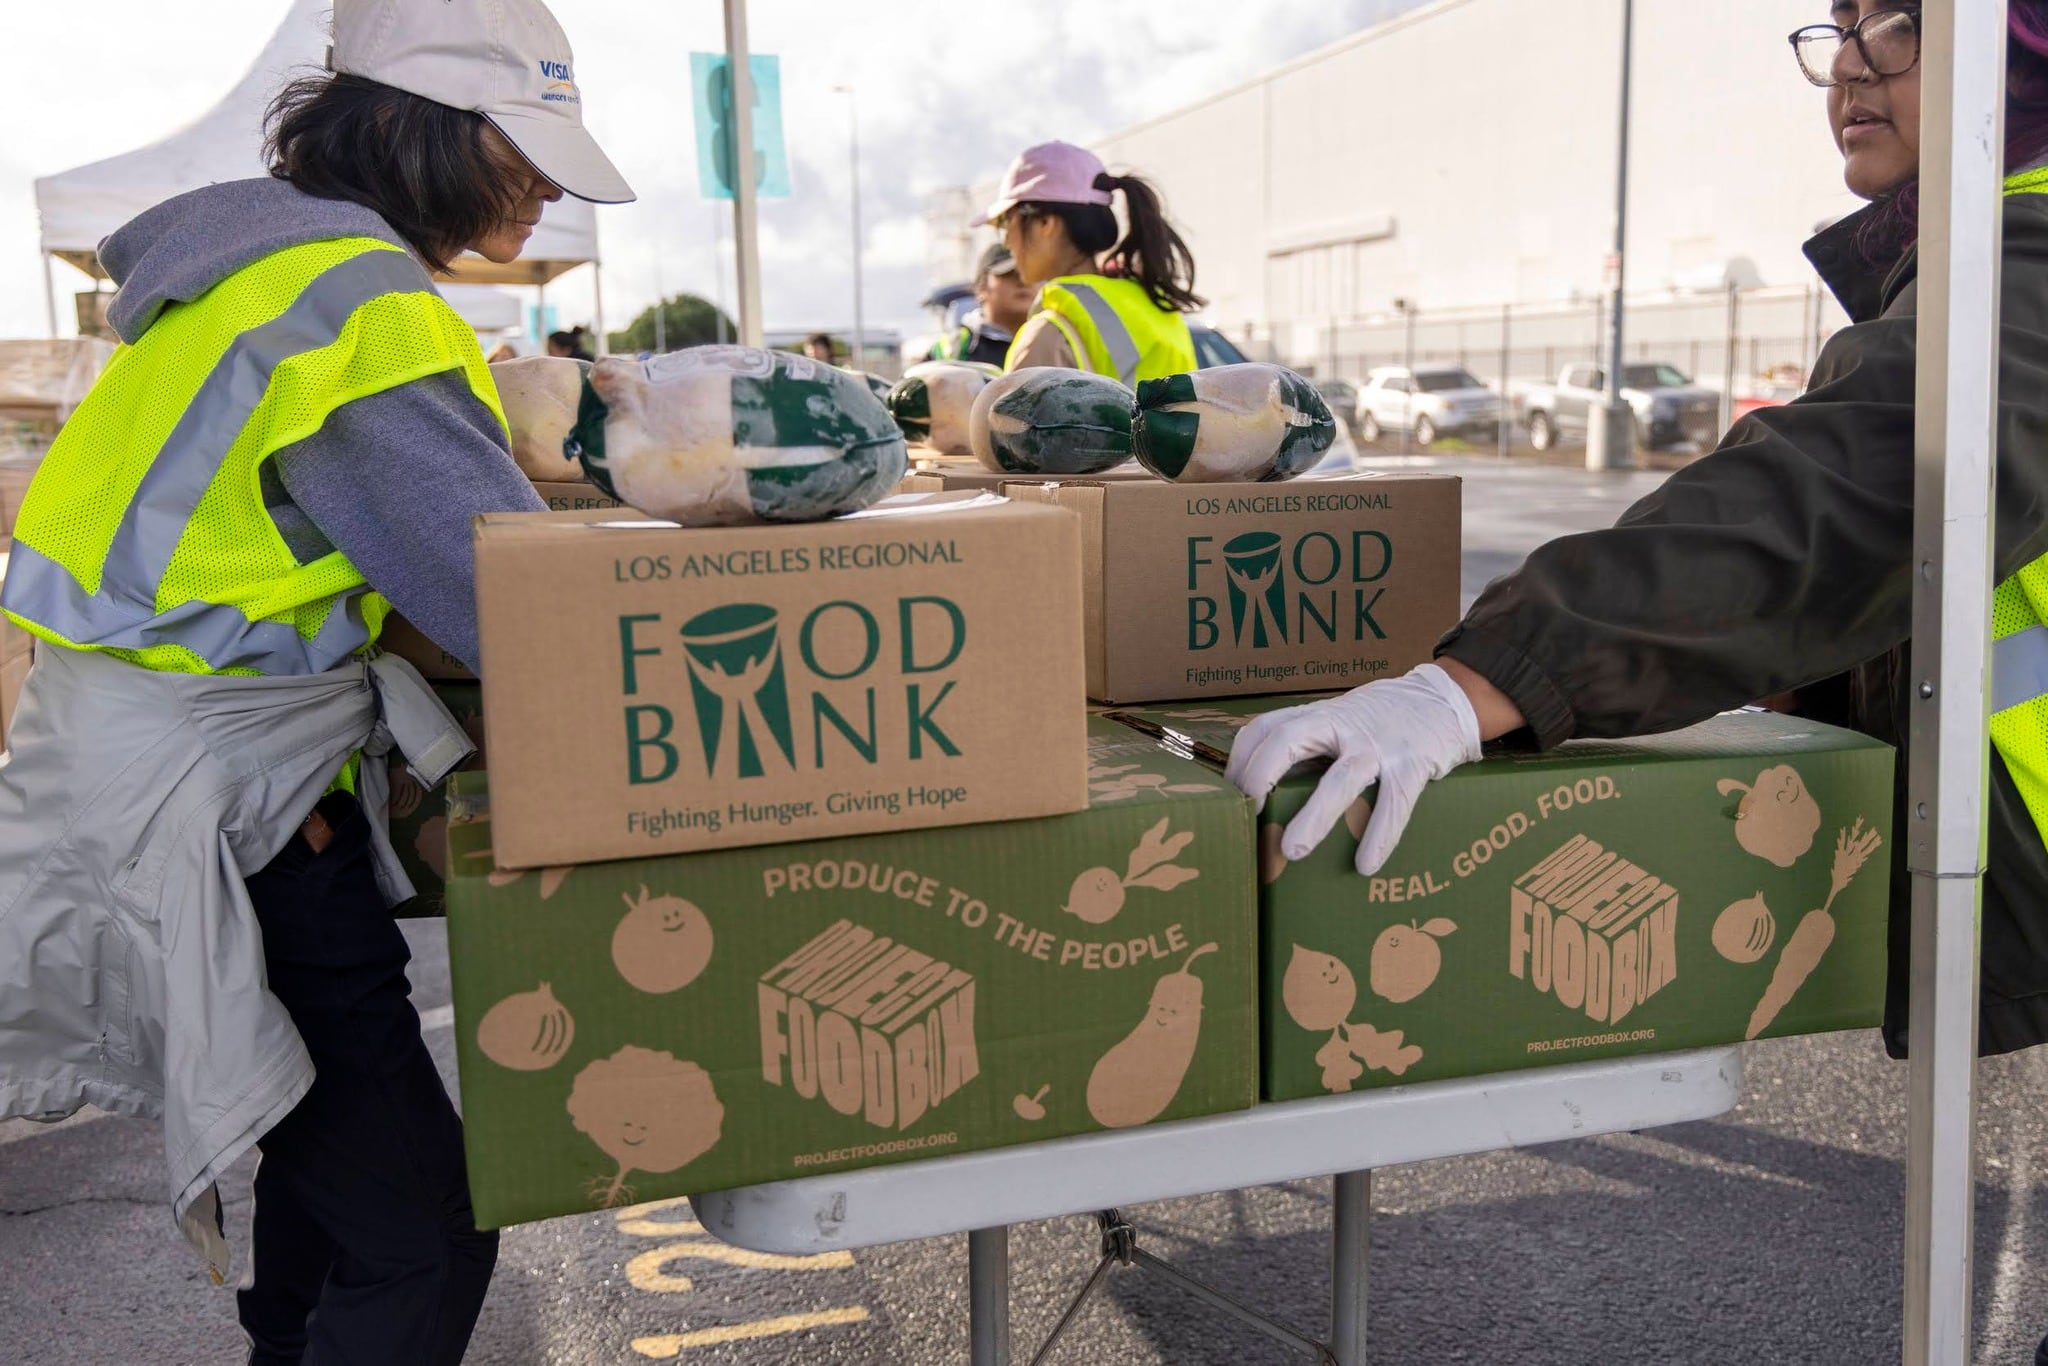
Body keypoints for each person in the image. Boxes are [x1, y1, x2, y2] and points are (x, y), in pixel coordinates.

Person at [1231, 14, 2048, 1354]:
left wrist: (1483, 681)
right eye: (1840, 26)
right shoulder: (1970, 260)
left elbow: (1849, 498)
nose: (1852, 63)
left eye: (1903, 24)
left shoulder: (2024, 266)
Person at [0, 1, 633, 1362]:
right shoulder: (364, 314)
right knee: (427, 1228)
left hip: (168, 763)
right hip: (229, 798)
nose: (542, 184)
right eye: (518, 143)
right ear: (416, 127)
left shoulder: (244, 277)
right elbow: (513, 603)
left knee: (332, 1178)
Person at [976, 140, 1202, 383]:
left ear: (1045, 223)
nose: (1006, 240)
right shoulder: (1156, 308)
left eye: (1007, 221)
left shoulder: (1049, 335)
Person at [931, 244, 1035, 366]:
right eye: (1008, 274)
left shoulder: (1051, 338)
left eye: (1030, 272)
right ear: (981, 288)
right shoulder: (954, 348)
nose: (1022, 280)